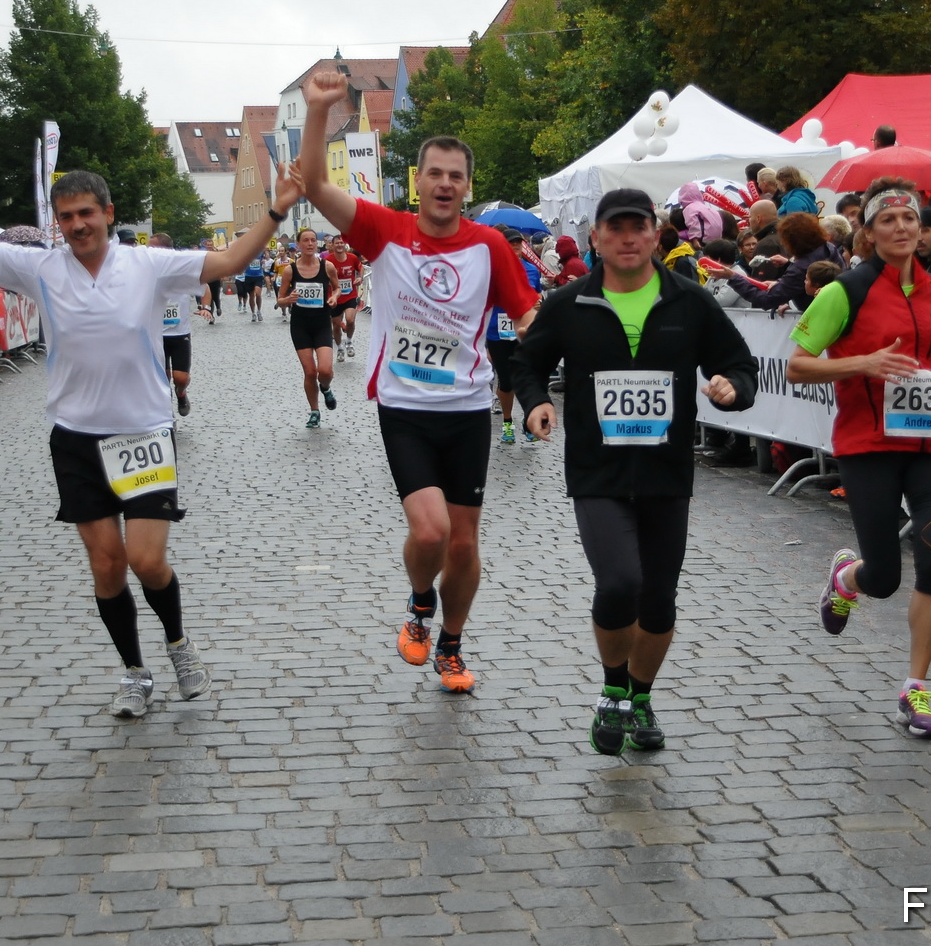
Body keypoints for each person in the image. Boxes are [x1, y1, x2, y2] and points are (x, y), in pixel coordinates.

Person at [0, 107, 273, 719]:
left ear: (109, 214)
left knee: (146, 559)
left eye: (87, 213)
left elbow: (226, 264)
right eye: (66, 217)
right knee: (108, 565)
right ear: (57, 225)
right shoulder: (38, 268)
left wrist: (273, 213)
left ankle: (177, 644)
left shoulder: (147, 265)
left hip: (142, 430)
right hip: (76, 437)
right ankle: (134, 672)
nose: (77, 225)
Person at [268, 72, 540, 695]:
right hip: (406, 405)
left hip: (468, 407)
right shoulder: (385, 231)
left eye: (456, 176)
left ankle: (451, 643)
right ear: (417, 181)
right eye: (434, 173)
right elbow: (313, 182)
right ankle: (421, 602)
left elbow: (526, 321)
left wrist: (541, 392)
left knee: (465, 548)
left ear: (467, 187)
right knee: (430, 532)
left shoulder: (491, 245)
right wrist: (316, 112)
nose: (445, 184)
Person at [513, 187, 757, 754]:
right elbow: (527, 364)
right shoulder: (570, 303)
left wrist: (732, 388)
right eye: (614, 228)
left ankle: (641, 698)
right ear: (596, 237)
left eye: (637, 227)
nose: (627, 238)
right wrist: (536, 404)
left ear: (654, 234)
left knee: (659, 599)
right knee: (620, 581)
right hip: (597, 470)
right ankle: (614, 689)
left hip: (666, 471)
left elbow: (739, 363)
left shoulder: (689, 301)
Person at [787, 179, 931, 737]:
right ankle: (847, 579)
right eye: (888, 221)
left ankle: (916, 689)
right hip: (869, 447)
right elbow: (797, 365)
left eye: (910, 219)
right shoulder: (844, 292)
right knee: (884, 578)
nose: (902, 228)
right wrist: (863, 364)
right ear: (869, 233)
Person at [278, 223, 339, 428]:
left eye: (313, 240)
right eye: (306, 240)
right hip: (300, 326)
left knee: (325, 370)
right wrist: (288, 299)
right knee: (310, 372)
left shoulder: (327, 267)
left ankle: (326, 388)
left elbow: (337, 288)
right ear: (298, 245)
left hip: (322, 323)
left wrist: (334, 298)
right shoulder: (290, 270)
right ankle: (314, 411)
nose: (310, 244)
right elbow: (279, 300)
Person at [487, 227, 543, 445]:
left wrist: (537, 302)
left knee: (526, 376)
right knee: (507, 381)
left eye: (518, 244)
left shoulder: (531, 271)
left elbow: (536, 296)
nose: (516, 247)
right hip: (497, 331)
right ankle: (508, 422)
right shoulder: (492, 270)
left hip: (524, 331)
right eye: (511, 244)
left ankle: (528, 422)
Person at [725, 211, 838, 312]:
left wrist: (733, 277)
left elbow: (766, 299)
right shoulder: (828, 247)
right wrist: (788, 266)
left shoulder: (800, 268)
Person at [149, 233, 206, 416]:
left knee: (180, 377)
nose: (148, 252)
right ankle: (167, 414)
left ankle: (181, 393)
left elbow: (204, 288)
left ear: (165, 250)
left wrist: (205, 307)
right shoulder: (146, 272)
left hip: (180, 333)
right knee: (162, 378)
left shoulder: (181, 272)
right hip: (157, 334)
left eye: (152, 248)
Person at [326, 235, 365, 360]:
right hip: (334, 298)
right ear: (332, 245)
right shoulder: (328, 260)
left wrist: (360, 277)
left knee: (350, 320)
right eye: (336, 243)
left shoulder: (352, 258)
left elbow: (361, 267)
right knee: (336, 326)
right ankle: (340, 348)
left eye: (341, 243)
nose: (339, 245)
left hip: (350, 295)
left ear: (344, 245)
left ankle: (348, 342)